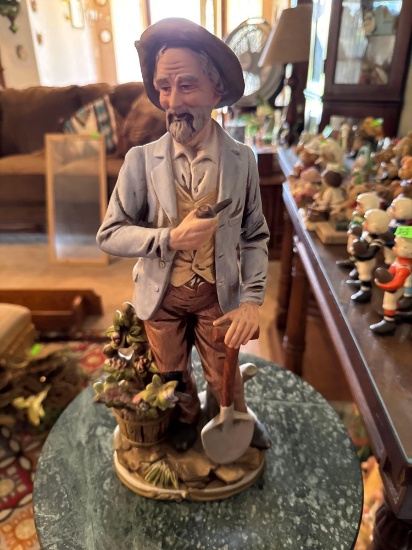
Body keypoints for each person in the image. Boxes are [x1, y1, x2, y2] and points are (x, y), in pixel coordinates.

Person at [96, 18, 270, 452]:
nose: (173, 102)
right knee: (170, 371)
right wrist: (168, 239)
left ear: (215, 90)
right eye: (164, 87)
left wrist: (252, 299)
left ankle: (234, 417)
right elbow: (110, 234)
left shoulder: (242, 160)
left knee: (223, 367)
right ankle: (186, 421)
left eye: (187, 86)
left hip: (217, 295)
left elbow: (254, 235)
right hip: (163, 298)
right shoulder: (140, 161)